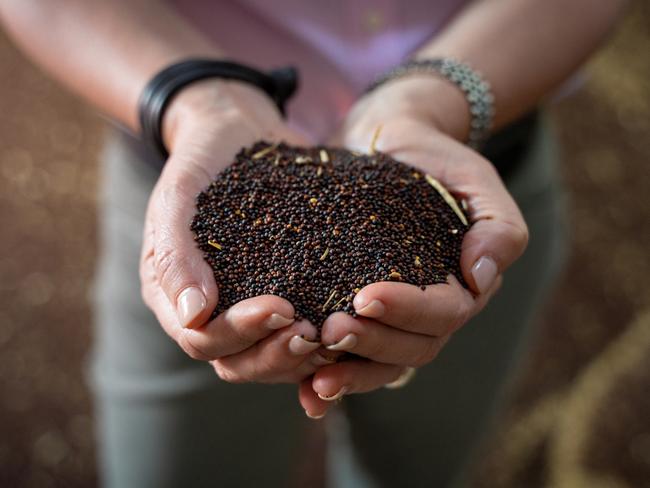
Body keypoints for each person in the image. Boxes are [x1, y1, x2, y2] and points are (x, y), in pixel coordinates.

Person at [0, 1, 627, 487]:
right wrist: (197, 97)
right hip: (190, 171)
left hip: (463, 186)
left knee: (421, 465)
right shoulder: (207, 202)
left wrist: (432, 100)